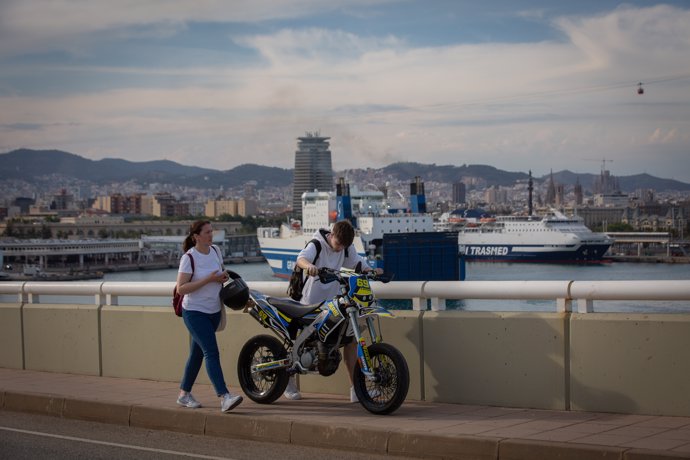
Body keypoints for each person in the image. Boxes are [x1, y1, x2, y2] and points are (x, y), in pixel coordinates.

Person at [283, 219, 382, 402]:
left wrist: (370, 270)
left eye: (344, 246)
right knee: (299, 343)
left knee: (350, 341)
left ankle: (356, 390)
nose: (339, 249)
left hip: (333, 302)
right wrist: (310, 266)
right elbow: (301, 259)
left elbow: (356, 262)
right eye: (338, 244)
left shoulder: (345, 245)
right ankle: (287, 383)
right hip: (309, 303)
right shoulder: (317, 244)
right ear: (332, 235)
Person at [176, 220, 243, 412]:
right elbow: (181, 288)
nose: (210, 235)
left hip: (214, 311)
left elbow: (221, 274)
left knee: (197, 354)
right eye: (206, 232)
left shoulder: (215, 251)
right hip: (195, 313)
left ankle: (183, 394)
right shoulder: (189, 258)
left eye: (211, 232)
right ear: (196, 236)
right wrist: (209, 279)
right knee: (211, 352)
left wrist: (223, 277)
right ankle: (224, 396)